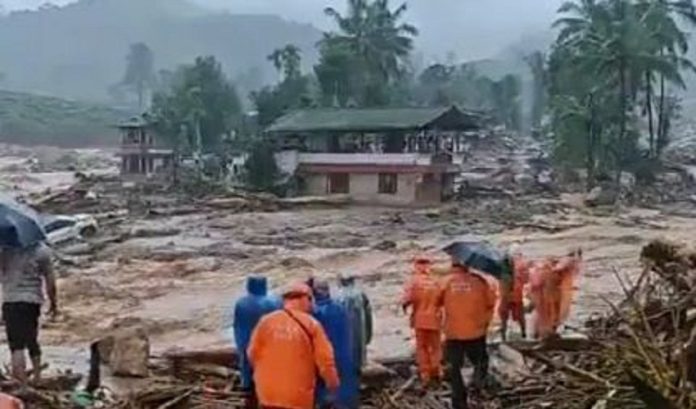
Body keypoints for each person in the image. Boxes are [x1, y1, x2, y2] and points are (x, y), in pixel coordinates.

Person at [248, 283, 339, 409]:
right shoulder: (312, 325)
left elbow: (252, 354)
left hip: (267, 394)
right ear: (305, 299)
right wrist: (333, 384)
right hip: (298, 396)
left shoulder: (266, 321)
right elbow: (325, 360)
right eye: (310, 299)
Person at [439, 262, 497, 409]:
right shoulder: (480, 281)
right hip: (476, 331)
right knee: (480, 361)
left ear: (453, 266)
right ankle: (476, 388)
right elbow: (491, 302)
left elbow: (435, 302)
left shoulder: (445, 282)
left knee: (454, 368)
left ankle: (459, 402)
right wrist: (484, 320)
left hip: (453, 333)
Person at [0, 242, 57, 383]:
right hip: (32, 301)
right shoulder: (42, 250)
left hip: (11, 301)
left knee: (16, 345)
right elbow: (50, 280)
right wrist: (54, 303)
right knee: (32, 338)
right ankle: (37, 377)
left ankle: (21, 382)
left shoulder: (6, 250)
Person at [227, 276, 280, 408]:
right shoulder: (274, 301)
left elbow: (237, 324)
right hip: (269, 342)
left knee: (246, 364)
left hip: (246, 339)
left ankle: (248, 388)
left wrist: (238, 342)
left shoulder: (241, 303)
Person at [313, 280, 357, 409]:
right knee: (346, 387)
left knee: (327, 392)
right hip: (345, 355)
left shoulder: (316, 313)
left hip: (326, 357)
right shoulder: (341, 308)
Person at [401, 256, 443, 386]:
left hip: (420, 319)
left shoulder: (413, 282)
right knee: (436, 347)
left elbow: (406, 300)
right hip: (435, 319)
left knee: (422, 347)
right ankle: (437, 370)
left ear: (416, 266)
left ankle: (425, 374)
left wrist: (404, 308)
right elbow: (443, 300)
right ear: (429, 265)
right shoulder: (437, 281)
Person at [335, 275, 373, 371]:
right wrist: (368, 336)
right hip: (360, 335)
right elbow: (368, 317)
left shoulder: (337, 298)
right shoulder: (361, 295)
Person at [498, 246, 530, 340]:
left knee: (505, 319)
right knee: (519, 318)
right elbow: (525, 280)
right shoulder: (519, 267)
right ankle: (523, 334)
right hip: (514, 297)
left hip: (508, 298)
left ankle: (504, 336)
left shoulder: (502, 271)